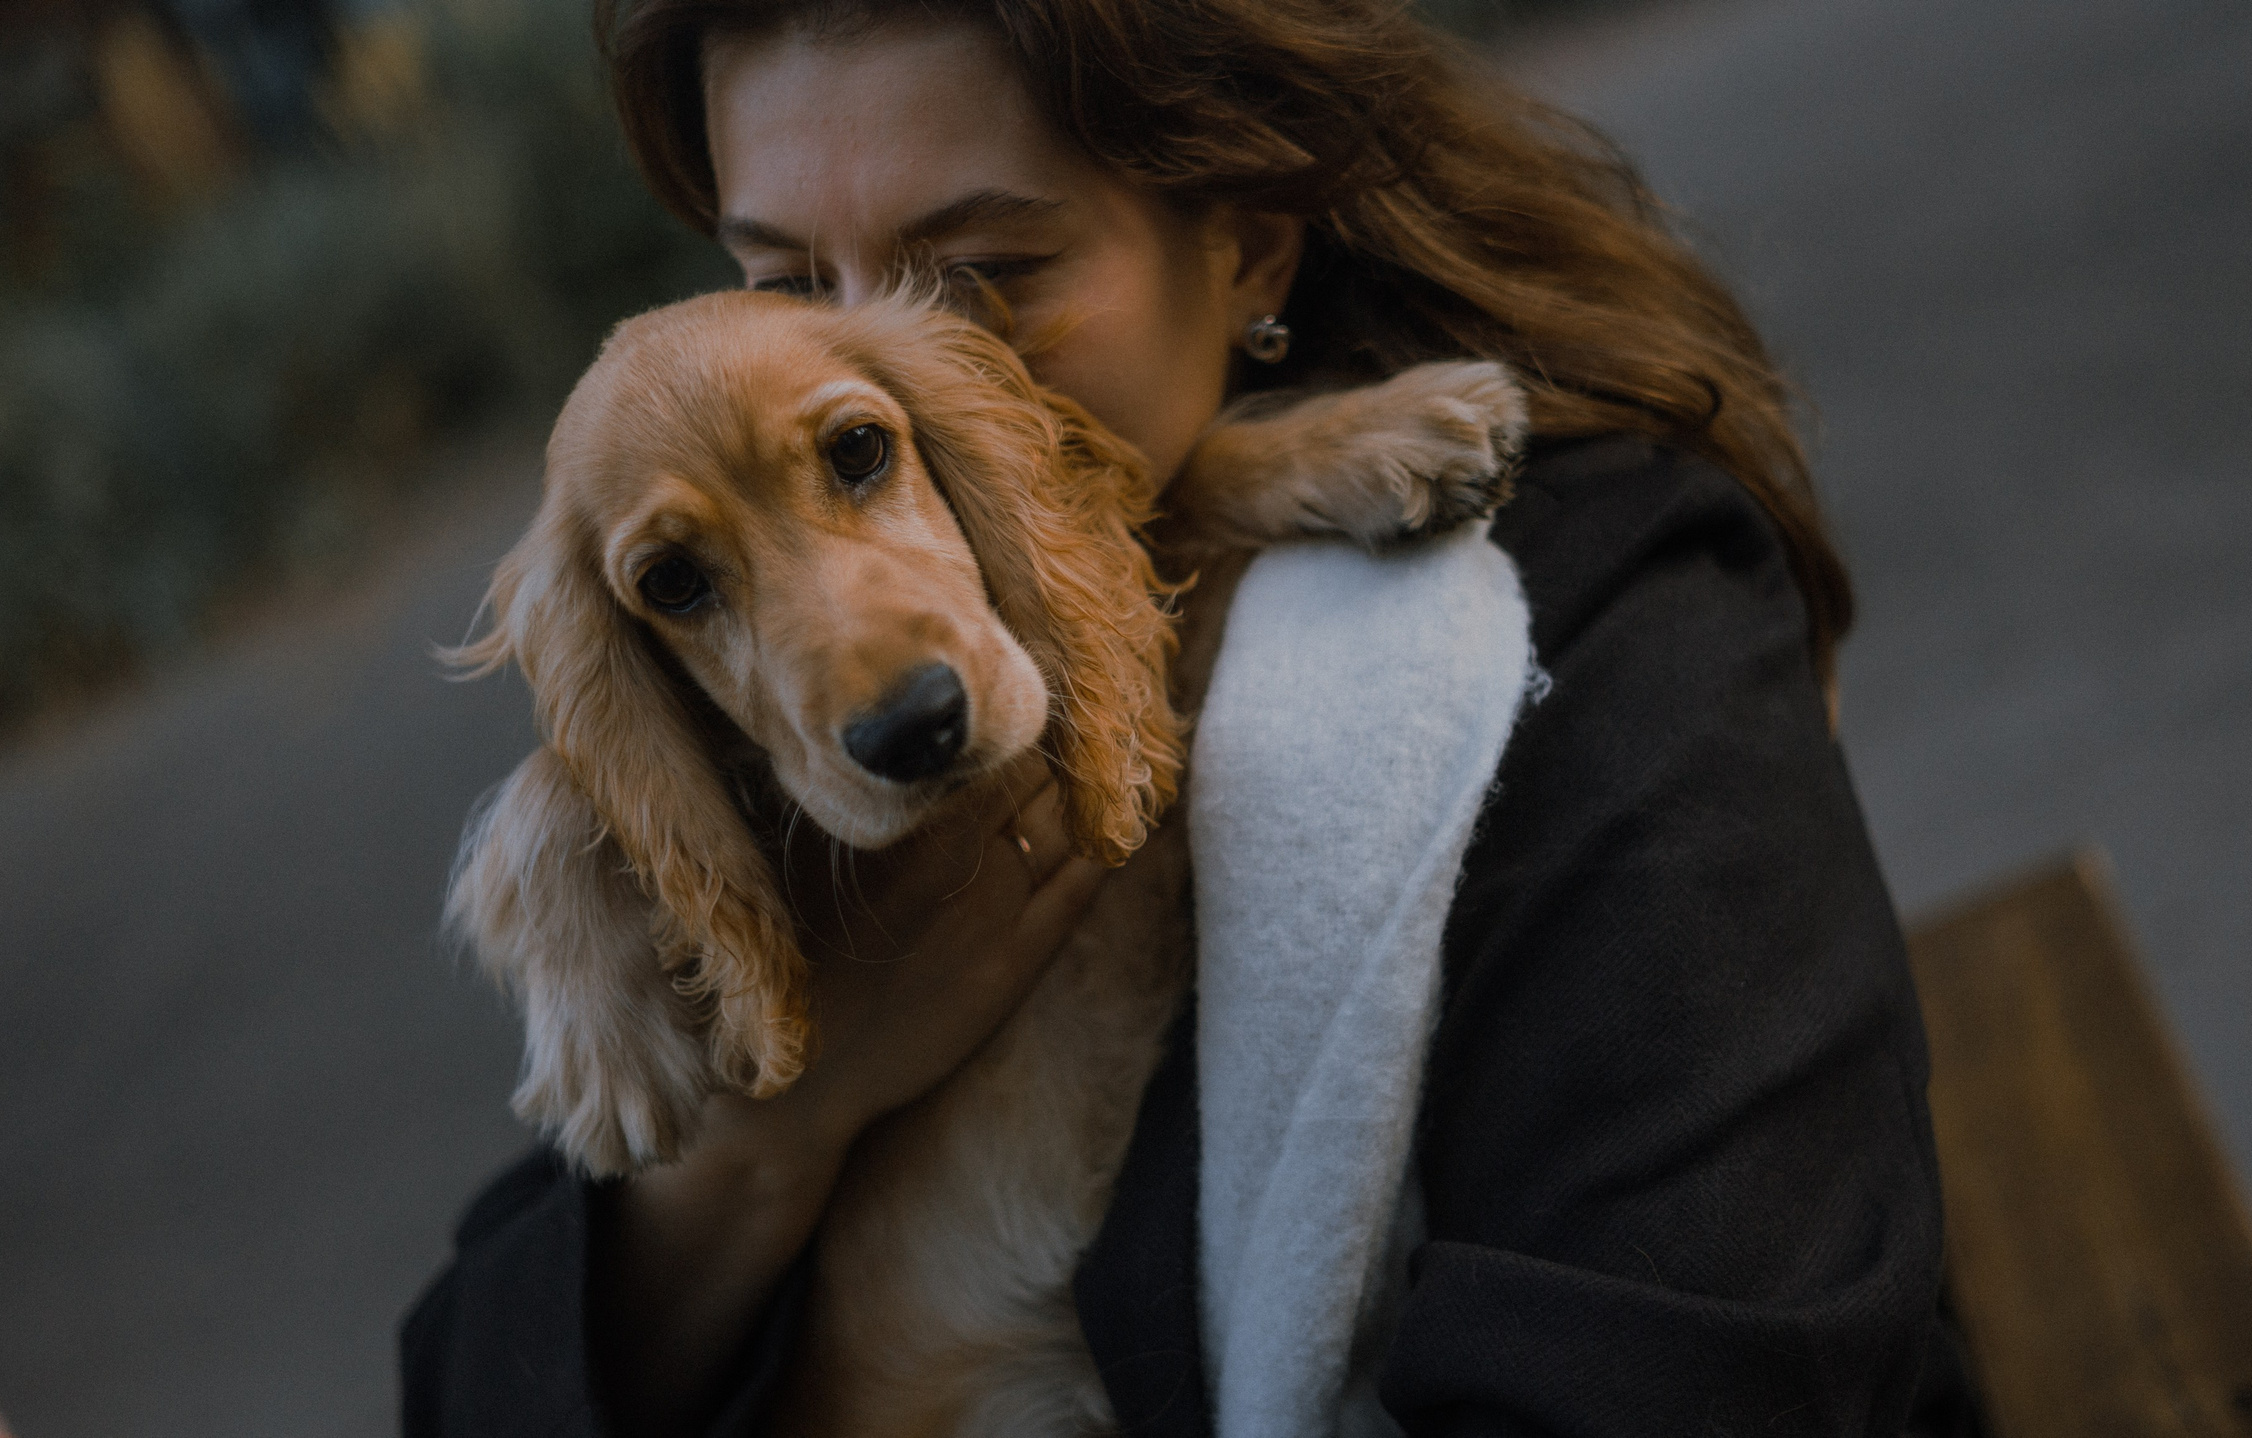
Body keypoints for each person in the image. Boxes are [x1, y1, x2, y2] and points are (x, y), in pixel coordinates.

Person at [402, 2, 1970, 1434]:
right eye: (786, 288)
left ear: (1253, 245)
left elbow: (1703, 1368)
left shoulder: (1601, 623)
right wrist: (772, 1140)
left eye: (983, 278)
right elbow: (474, 1384)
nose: (904, 363)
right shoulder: (771, 756)